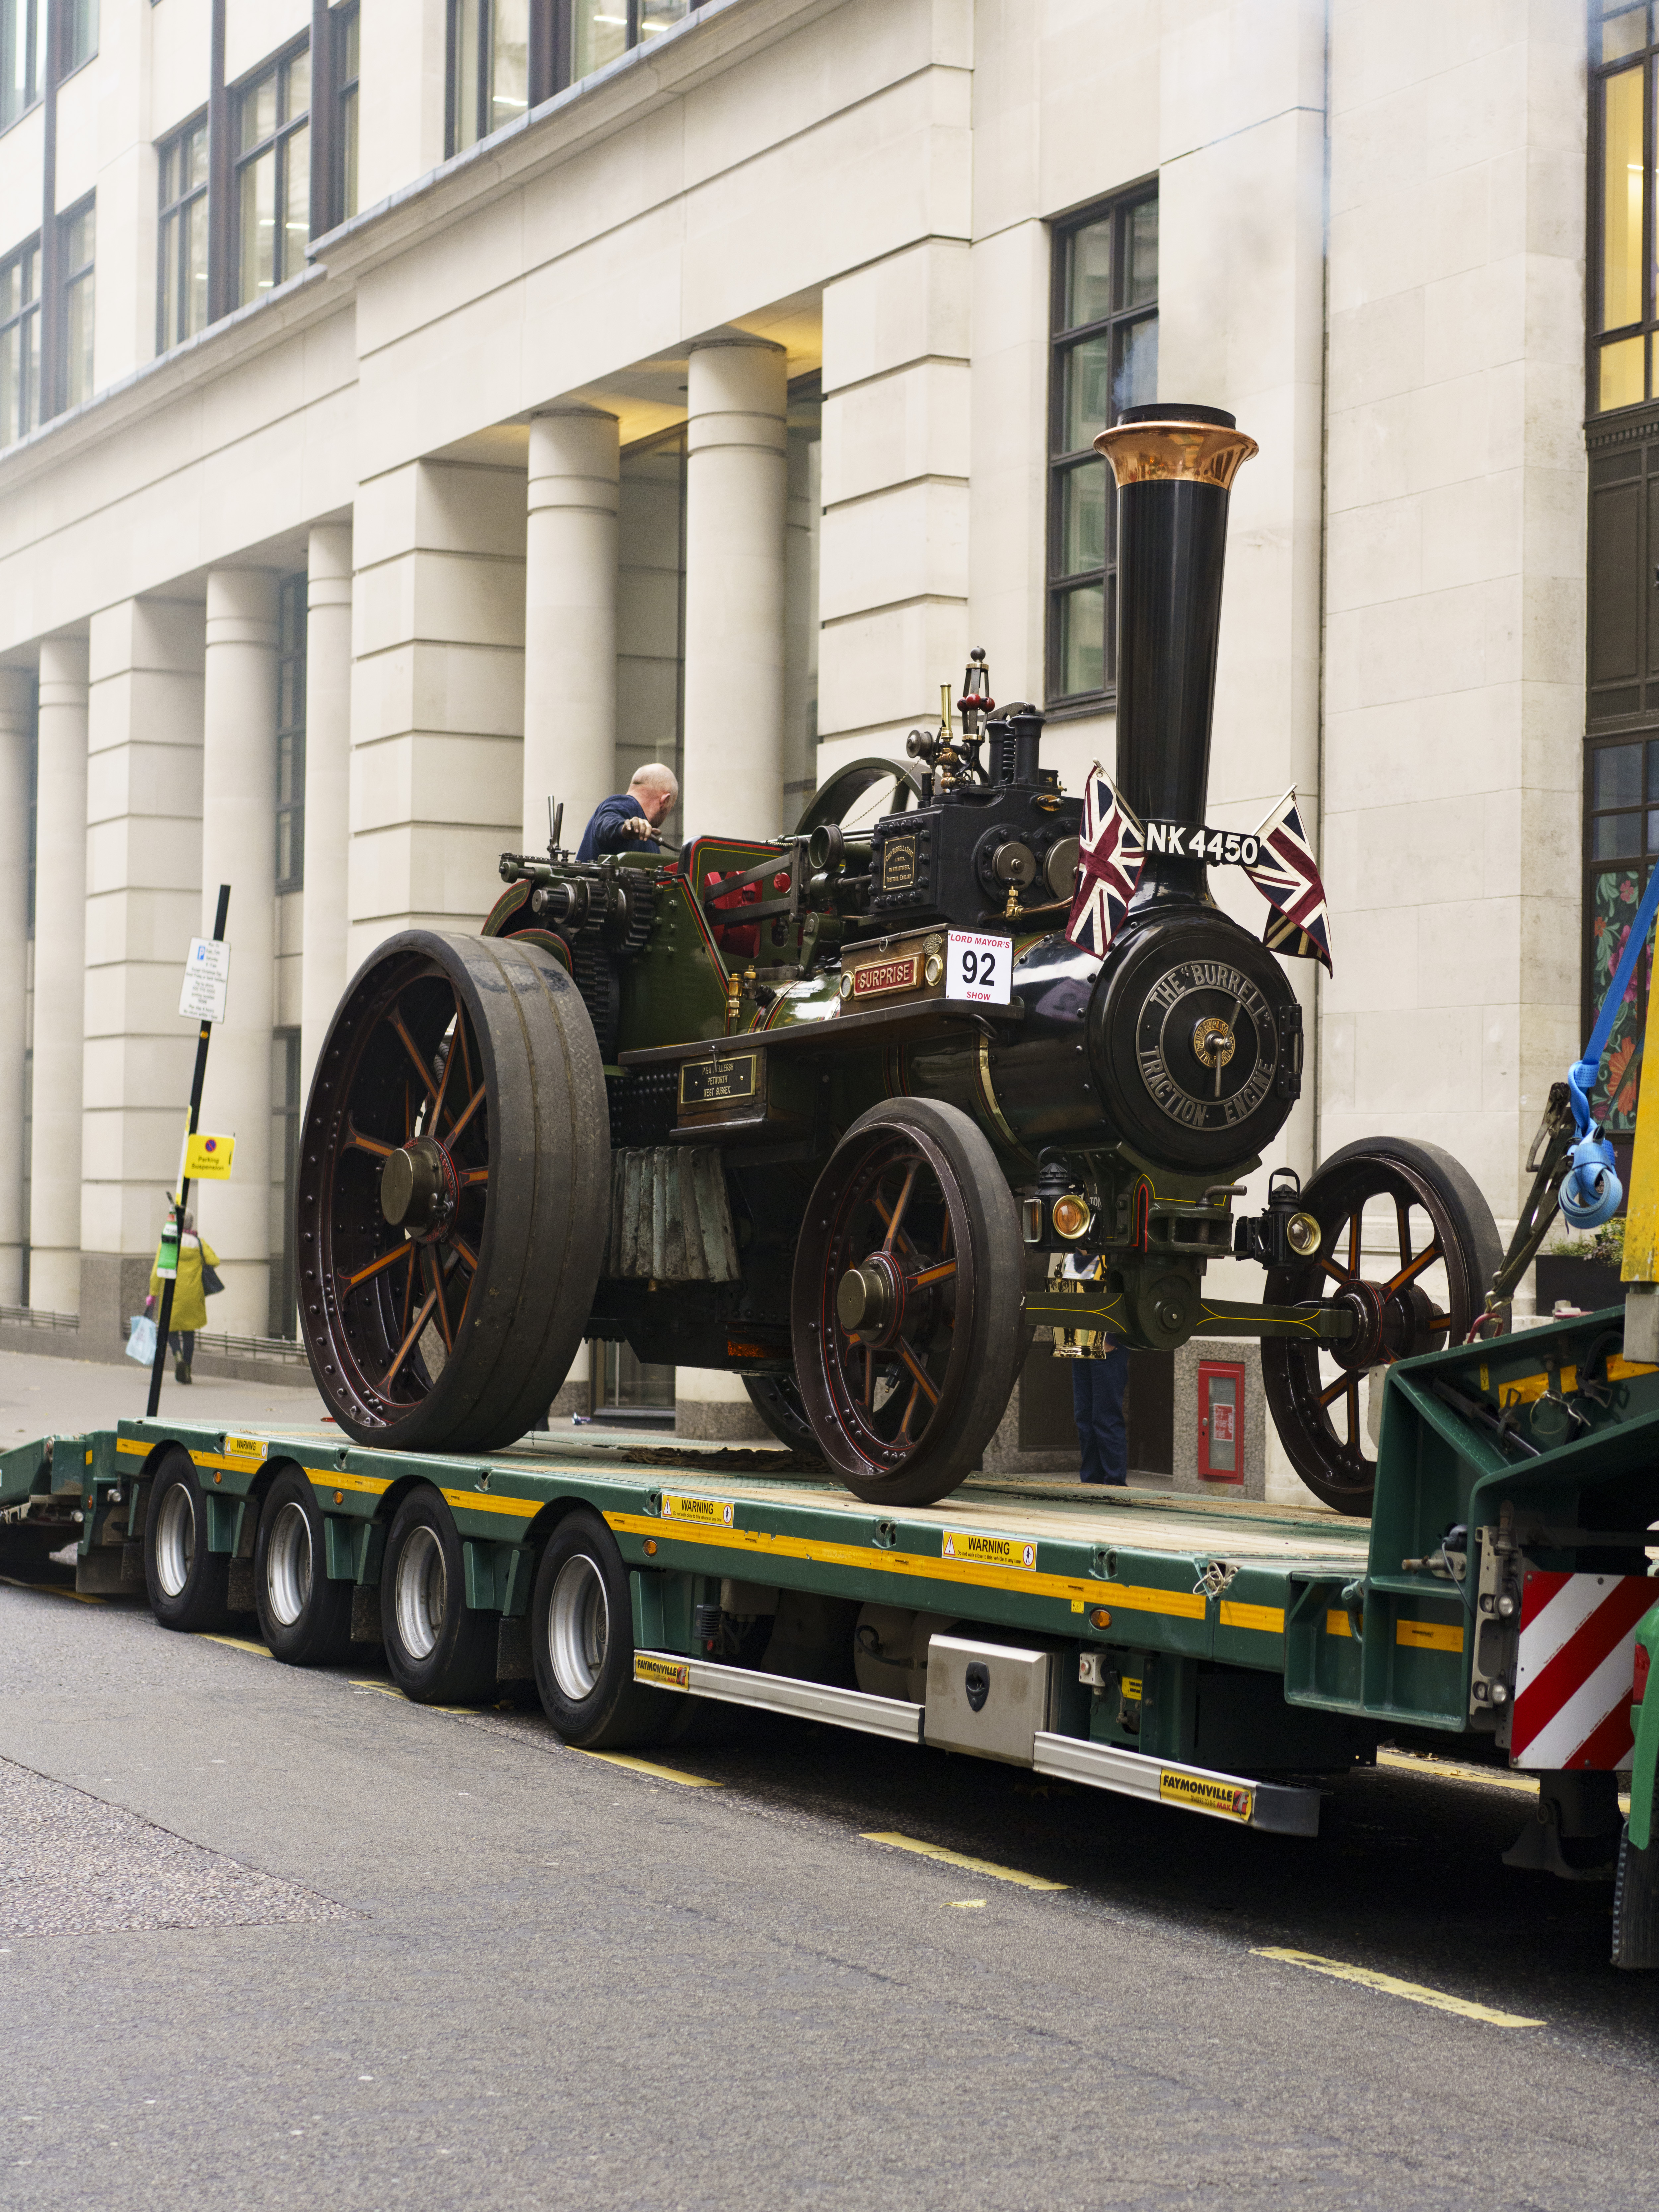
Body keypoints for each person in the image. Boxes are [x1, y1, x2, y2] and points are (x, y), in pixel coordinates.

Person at [145, 1203, 219, 1386]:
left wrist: (153, 1293)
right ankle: (187, 1367)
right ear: (191, 1224)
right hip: (193, 1295)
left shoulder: (168, 1243)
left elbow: (157, 1270)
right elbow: (214, 1261)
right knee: (189, 1333)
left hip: (173, 1295)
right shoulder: (198, 1243)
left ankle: (177, 1356)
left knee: (170, 1330)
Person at [576, 763, 679, 862]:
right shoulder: (625, 804)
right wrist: (625, 828)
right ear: (665, 801)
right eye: (671, 807)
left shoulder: (648, 838)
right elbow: (606, 822)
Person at [1073, 1341, 1130, 1486]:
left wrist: (1111, 1339)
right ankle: (1091, 1483)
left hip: (1106, 1343)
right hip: (1079, 1344)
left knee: (1107, 1419)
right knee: (1084, 1418)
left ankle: (1114, 1485)